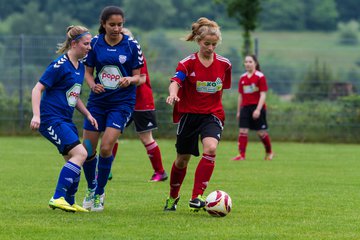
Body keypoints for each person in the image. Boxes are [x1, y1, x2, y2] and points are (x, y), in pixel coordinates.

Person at [163, 17, 232, 212]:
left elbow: (221, 89)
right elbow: (176, 80)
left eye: (214, 44)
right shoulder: (188, 63)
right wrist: (173, 94)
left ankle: (197, 196)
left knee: (210, 149)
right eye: (206, 44)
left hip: (212, 114)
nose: (210, 48)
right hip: (189, 115)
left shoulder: (225, 64)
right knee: (182, 160)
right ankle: (172, 197)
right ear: (198, 41)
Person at [81, 6, 144, 212]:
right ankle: (90, 189)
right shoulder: (95, 44)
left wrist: (130, 79)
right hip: (98, 102)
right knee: (88, 150)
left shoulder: (132, 46)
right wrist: (92, 85)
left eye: (120, 25)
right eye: (112, 25)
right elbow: (88, 72)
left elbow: (139, 76)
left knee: (106, 147)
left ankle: (99, 192)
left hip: (121, 103)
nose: (117, 28)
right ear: (103, 24)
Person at [30, 25, 97, 213]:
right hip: (51, 119)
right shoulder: (59, 65)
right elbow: (37, 89)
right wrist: (37, 115)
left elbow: (73, 97)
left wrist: (88, 114)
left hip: (65, 120)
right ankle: (57, 197)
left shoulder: (80, 67)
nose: (89, 47)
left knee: (73, 158)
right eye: (86, 44)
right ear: (74, 44)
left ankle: (69, 200)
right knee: (81, 154)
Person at [109, 28, 167, 182]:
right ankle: (105, 170)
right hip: (123, 101)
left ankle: (160, 172)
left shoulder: (137, 56)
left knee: (146, 138)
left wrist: (128, 79)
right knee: (111, 135)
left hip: (141, 101)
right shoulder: (115, 57)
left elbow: (141, 79)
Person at [232, 54, 273, 161]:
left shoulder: (260, 76)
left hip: (257, 107)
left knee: (261, 132)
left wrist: (258, 110)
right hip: (245, 107)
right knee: (243, 131)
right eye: (246, 62)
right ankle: (242, 156)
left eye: (250, 62)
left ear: (255, 63)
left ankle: (269, 152)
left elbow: (263, 94)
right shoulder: (242, 78)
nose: (248, 64)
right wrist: (238, 111)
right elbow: (240, 96)